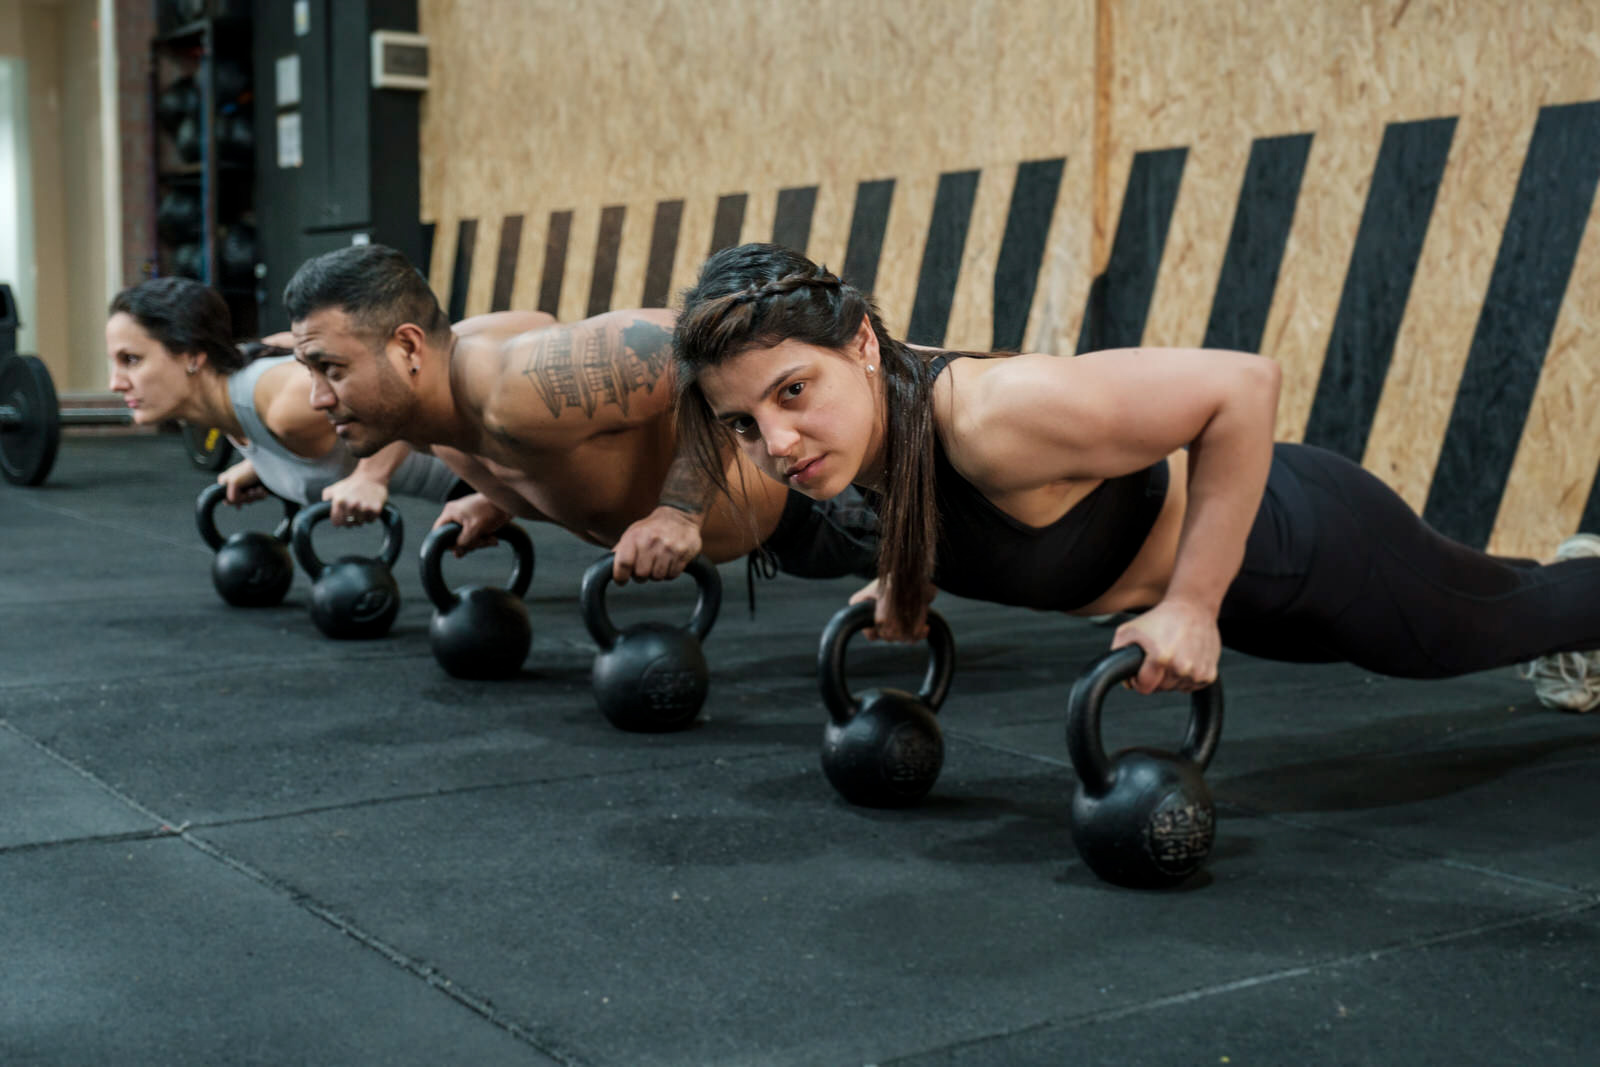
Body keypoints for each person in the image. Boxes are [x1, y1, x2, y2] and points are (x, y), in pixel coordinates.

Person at [669, 242, 1600, 710]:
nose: (779, 441)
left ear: (863, 342)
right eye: (746, 424)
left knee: (1484, 632)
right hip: (1251, 597)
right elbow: (930, 507)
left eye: (794, 392)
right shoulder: (868, 440)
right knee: (1496, 592)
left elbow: (1241, 386)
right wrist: (907, 584)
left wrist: (1192, 604)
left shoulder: (998, 416)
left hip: (1308, 545)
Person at [279, 243, 877, 585]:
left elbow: (713, 350)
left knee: (962, 568)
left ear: (407, 348)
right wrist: (498, 497)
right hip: (778, 537)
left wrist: (678, 511)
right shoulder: (435, 412)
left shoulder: (522, 385)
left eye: (330, 369)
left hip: (825, 503)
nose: (317, 397)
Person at [106, 276, 503, 522]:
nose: (115, 383)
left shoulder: (286, 404)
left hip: (496, 468)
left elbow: (406, 386)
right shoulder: (229, 397)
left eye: (132, 360)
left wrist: (371, 477)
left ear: (193, 356)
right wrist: (264, 464)